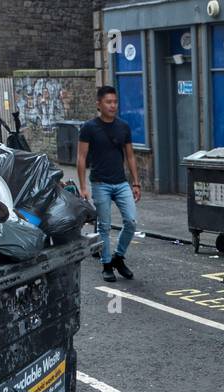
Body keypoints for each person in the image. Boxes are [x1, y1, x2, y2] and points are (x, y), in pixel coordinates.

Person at [77, 86, 141, 282]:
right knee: (104, 226)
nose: (113, 105)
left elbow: (130, 156)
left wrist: (136, 183)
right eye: (108, 102)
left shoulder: (123, 127)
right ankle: (106, 264)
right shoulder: (89, 127)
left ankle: (118, 257)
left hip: (121, 183)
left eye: (115, 102)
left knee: (131, 221)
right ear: (99, 104)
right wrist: (83, 187)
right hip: (100, 183)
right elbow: (81, 157)